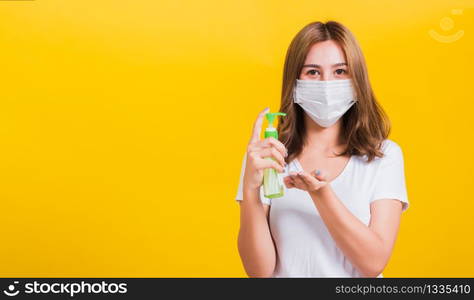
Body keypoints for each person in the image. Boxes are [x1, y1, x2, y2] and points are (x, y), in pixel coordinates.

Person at [234, 21, 409, 278]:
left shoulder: (383, 156)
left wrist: (322, 194)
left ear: (356, 80)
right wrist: (250, 190)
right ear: (294, 81)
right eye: (313, 72)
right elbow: (258, 271)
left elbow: (373, 263)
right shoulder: (268, 156)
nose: (327, 83)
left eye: (340, 72)